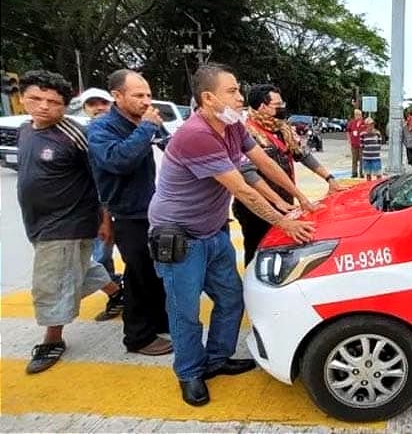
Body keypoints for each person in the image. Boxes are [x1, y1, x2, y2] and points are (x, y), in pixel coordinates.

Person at [148, 63, 317, 407]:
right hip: (180, 237)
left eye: (239, 90)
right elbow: (243, 191)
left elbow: (260, 168)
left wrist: (295, 198)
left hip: (213, 232)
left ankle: (217, 358)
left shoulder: (232, 126)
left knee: (230, 298)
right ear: (208, 98)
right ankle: (190, 372)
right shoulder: (196, 133)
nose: (240, 97)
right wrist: (284, 223)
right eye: (233, 91)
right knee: (185, 311)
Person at [16, 70, 123, 373]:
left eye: (53, 101)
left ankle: (52, 339)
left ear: (65, 105)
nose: (43, 106)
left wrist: (105, 218)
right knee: (79, 267)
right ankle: (118, 294)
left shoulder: (74, 134)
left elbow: (100, 178)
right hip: (37, 220)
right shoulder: (26, 130)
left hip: (69, 221)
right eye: (36, 98)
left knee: (50, 282)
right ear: (22, 97)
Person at [88, 69, 172, 356]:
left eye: (148, 94)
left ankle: (161, 321)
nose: (146, 101)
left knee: (157, 272)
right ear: (117, 95)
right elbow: (118, 161)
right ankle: (137, 337)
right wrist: (147, 128)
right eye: (138, 95)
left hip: (156, 210)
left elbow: (172, 150)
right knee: (138, 275)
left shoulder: (147, 121)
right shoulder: (102, 128)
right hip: (128, 213)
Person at [234, 83, 342, 266]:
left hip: (285, 203)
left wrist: (329, 178)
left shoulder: (283, 129)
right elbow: (250, 175)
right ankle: (254, 290)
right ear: (262, 106)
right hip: (257, 207)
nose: (282, 107)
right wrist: (278, 200)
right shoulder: (248, 133)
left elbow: (303, 154)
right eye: (278, 104)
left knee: (280, 248)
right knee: (257, 251)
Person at [79, 87, 125, 321]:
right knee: (101, 258)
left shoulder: (118, 132)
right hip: (93, 210)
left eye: (103, 103)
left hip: (115, 209)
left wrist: (106, 219)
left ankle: (119, 295)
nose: (98, 108)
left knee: (101, 258)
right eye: (91, 104)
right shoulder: (83, 134)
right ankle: (116, 296)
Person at [346, 109, 365, 177]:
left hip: (362, 144)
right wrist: (349, 139)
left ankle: (361, 173)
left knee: (362, 159)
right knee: (354, 159)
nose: (357, 116)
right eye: (356, 114)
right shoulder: (351, 122)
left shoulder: (364, 123)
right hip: (354, 144)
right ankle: (354, 173)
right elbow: (348, 131)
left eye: (358, 114)